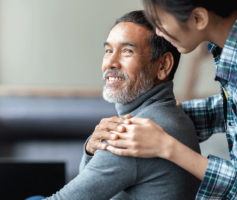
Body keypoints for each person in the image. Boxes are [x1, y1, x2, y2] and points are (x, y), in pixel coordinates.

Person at [27, 10, 201, 200]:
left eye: (127, 51)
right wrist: (90, 151)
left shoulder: (136, 135)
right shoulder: (173, 116)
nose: (110, 62)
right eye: (108, 50)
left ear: (163, 66)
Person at [86, 1, 237, 199]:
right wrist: (173, 117)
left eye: (161, 21)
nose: (158, 31)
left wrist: (166, 145)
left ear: (198, 18)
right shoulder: (225, 51)